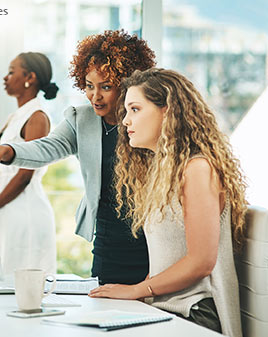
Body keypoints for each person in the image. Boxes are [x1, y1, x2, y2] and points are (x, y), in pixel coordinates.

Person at [0, 30, 156, 284]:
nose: (95, 96)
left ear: (128, 85)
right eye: (89, 86)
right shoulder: (80, 119)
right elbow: (47, 147)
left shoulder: (145, 121)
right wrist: (8, 151)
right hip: (107, 240)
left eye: (106, 87)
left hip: (150, 242)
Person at [88, 68, 247, 336]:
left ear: (168, 111)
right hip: (165, 309)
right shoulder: (164, 173)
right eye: (126, 111)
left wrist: (135, 290)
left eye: (135, 109)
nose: (125, 121)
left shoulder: (197, 168)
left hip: (195, 313)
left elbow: (200, 262)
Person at [0, 52, 59, 274]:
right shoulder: (18, 115)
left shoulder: (37, 116)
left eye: (11, 72)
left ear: (30, 76)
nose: (5, 78)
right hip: (8, 209)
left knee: (20, 285)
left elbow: (24, 175)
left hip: (25, 212)